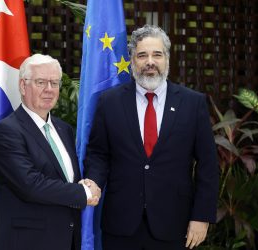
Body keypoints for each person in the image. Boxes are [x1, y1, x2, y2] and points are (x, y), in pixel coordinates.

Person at [83, 24, 219, 249]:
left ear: (167, 58)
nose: (150, 62)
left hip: (175, 224)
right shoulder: (109, 102)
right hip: (120, 225)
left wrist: (202, 216)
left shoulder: (192, 103)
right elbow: (98, 154)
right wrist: (94, 183)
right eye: (142, 55)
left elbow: (208, 165)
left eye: (157, 54)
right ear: (132, 60)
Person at [0, 54, 101, 250]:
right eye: (41, 82)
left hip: (66, 241)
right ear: (23, 86)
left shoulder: (64, 129)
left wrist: (84, 183)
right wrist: (82, 192)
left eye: (54, 83)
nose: (49, 89)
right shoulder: (7, 131)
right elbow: (30, 185)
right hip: (26, 243)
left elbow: (62, 178)